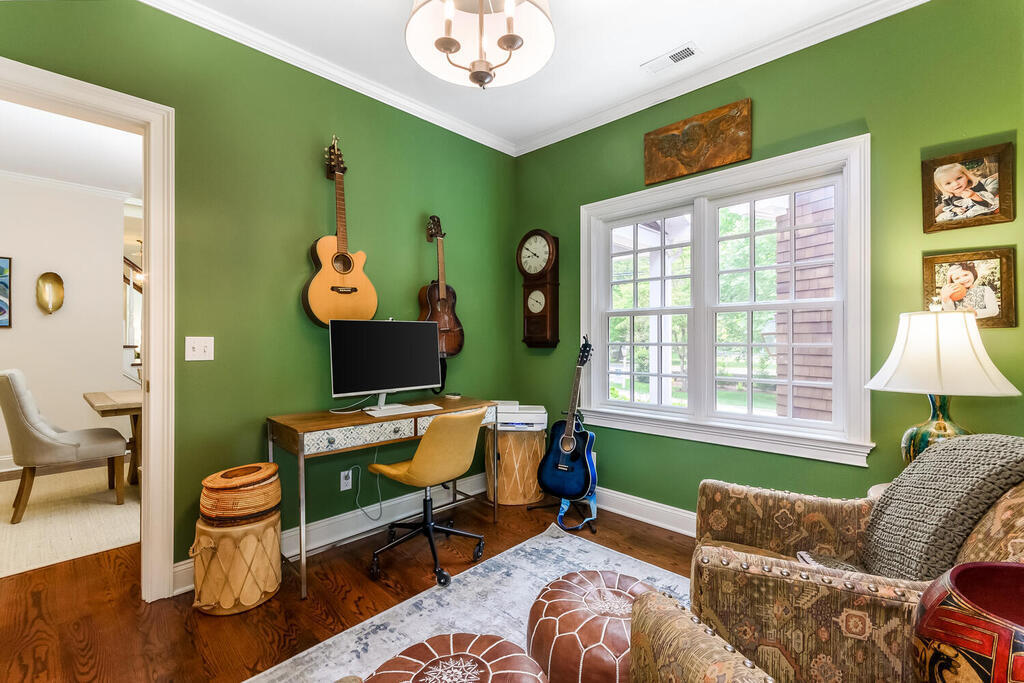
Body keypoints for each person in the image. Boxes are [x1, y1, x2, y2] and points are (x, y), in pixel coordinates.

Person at [934, 163, 999, 222]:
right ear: (942, 187)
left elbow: (988, 203)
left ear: (967, 176)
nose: (956, 184)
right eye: (948, 183)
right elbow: (948, 207)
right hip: (960, 214)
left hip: (978, 210)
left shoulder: (975, 186)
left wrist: (973, 195)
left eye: (959, 178)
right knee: (941, 219)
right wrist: (956, 209)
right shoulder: (948, 196)